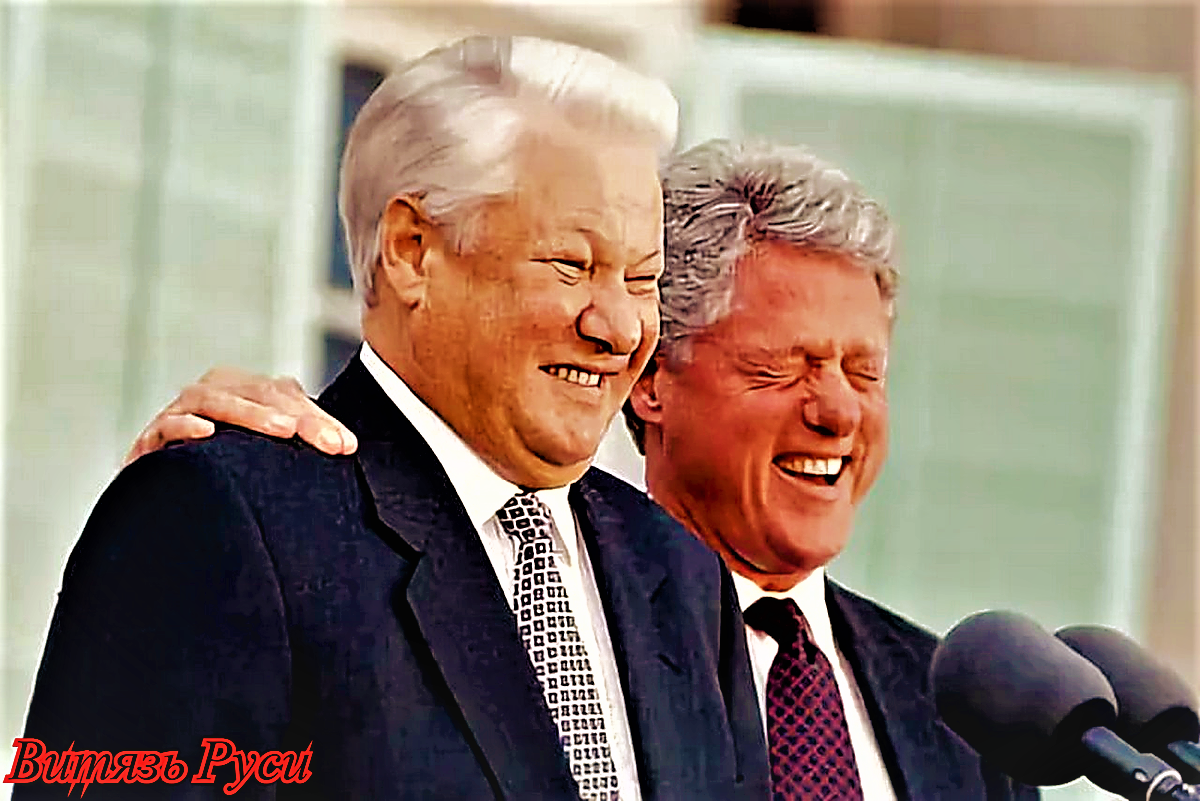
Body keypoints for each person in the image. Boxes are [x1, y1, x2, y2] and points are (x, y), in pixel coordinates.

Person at [140, 138, 1042, 799]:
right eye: (783, 368)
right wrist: (228, 500)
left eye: (865, 372)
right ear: (649, 376)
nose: (838, 411)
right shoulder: (517, 610)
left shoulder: (964, 712)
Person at [18, 37, 769, 800]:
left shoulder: (685, 580)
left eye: (642, 280)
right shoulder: (221, 518)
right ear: (413, 252)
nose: (620, 328)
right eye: (572, 266)